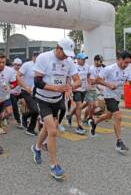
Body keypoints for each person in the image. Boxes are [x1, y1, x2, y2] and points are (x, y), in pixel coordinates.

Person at [31, 38, 80, 179]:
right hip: (42, 99)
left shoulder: (69, 62)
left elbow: (77, 80)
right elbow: (37, 82)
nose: (66, 57)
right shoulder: (44, 58)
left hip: (57, 100)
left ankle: (36, 147)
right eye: (64, 53)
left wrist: (70, 87)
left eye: (68, 54)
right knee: (53, 131)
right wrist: (56, 88)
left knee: (47, 128)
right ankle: (54, 166)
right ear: (58, 48)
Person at [88, 51, 131, 153]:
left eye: (128, 63)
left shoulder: (127, 69)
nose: (126, 65)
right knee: (118, 116)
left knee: (109, 115)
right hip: (108, 95)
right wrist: (108, 84)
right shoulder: (109, 69)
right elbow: (97, 80)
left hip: (117, 96)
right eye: (125, 62)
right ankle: (119, 142)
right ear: (118, 59)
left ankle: (94, 123)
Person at [68, 52, 90, 135]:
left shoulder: (87, 66)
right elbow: (69, 78)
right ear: (78, 59)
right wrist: (70, 87)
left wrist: (89, 85)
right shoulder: (73, 67)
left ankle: (70, 115)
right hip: (76, 89)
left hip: (84, 89)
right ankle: (79, 126)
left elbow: (88, 76)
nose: (84, 61)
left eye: (85, 59)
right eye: (82, 59)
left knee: (80, 106)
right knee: (79, 106)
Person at [18, 52, 39, 136]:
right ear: (32, 57)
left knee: (37, 110)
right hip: (26, 91)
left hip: (37, 91)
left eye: (38, 56)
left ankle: (26, 119)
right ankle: (28, 123)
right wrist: (26, 87)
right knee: (35, 110)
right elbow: (18, 76)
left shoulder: (42, 66)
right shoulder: (27, 65)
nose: (37, 58)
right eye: (35, 56)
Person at [83, 55, 104, 124]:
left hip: (95, 89)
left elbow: (102, 78)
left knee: (92, 106)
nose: (100, 63)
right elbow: (92, 81)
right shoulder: (91, 69)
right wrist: (99, 84)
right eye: (99, 61)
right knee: (91, 105)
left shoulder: (102, 68)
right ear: (95, 61)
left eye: (101, 61)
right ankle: (86, 118)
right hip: (90, 88)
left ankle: (89, 117)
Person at [10, 58, 23, 127]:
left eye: (19, 65)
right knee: (14, 106)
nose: (18, 66)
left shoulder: (22, 71)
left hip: (19, 91)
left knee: (24, 104)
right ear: (13, 64)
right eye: (16, 65)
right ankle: (18, 120)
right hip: (11, 92)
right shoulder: (10, 71)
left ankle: (24, 118)